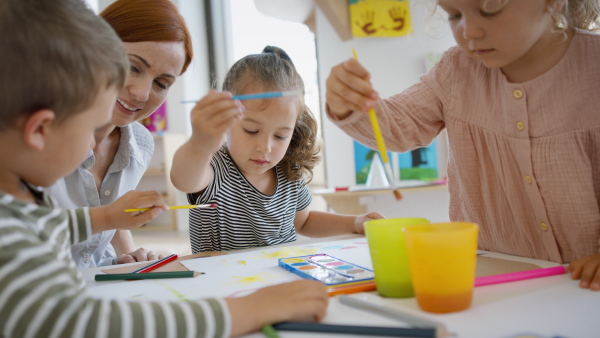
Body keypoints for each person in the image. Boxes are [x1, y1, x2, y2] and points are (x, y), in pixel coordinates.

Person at [0, 0, 328, 337]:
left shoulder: (16, 210)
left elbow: (49, 225)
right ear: (39, 129)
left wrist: (110, 220)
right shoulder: (12, 237)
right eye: (91, 128)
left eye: (162, 83)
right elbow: (88, 323)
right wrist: (251, 309)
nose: (93, 145)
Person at [325, 0, 600, 290]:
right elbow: (396, 128)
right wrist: (347, 103)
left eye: (490, 8)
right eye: (454, 15)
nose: (469, 31)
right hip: (496, 280)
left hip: (587, 289)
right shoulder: (455, 71)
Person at [171, 46, 384, 253]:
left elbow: (306, 222)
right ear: (226, 119)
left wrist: (355, 223)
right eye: (251, 130)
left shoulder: (289, 170)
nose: (265, 147)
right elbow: (184, 179)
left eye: (281, 135)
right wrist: (200, 143)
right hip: (225, 283)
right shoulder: (214, 167)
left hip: (280, 278)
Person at [48, 0, 193, 268]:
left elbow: (109, 206)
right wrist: (107, 217)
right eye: (133, 67)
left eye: (161, 83)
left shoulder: (140, 142)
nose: (142, 93)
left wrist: (129, 257)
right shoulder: (32, 131)